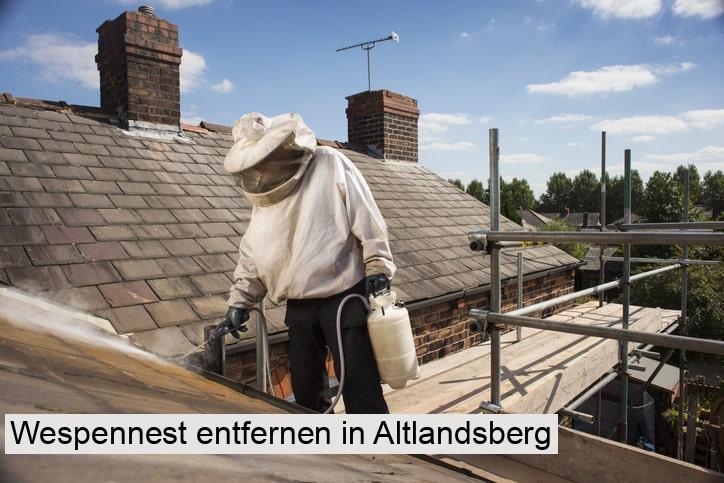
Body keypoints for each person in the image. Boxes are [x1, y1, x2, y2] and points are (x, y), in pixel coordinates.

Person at [218, 112, 395, 414]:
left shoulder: (329, 162)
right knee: (304, 386)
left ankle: (379, 453)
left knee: (358, 382)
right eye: (257, 165)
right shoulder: (265, 198)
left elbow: (366, 215)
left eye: (267, 159)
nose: (263, 169)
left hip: (343, 294)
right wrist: (239, 302)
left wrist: (377, 264)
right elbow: (255, 254)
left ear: (285, 148)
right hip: (299, 304)